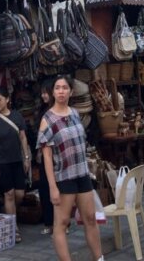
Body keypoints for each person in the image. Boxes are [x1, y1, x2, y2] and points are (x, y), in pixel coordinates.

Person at [36, 75, 103, 261]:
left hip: (82, 174)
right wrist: (52, 187)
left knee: (90, 218)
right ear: (52, 92)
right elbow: (47, 157)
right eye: (57, 88)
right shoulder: (47, 119)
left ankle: (99, 258)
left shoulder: (74, 113)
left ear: (71, 92)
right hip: (63, 177)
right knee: (62, 223)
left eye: (65, 88)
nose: (61, 91)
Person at [0, 86, 31, 243]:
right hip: (1, 162)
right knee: (9, 194)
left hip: (17, 160)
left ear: (7, 100)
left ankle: (8, 211)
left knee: (20, 194)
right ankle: (13, 228)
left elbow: (23, 138)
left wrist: (26, 157)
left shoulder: (17, 116)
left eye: (0, 99)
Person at [35, 81, 54, 236]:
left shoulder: (56, 111)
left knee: (58, 188)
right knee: (45, 188)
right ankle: (49, 222)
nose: (43, 96)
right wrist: (38, 152)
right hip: (44, 152)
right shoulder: (42, 111)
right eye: (42, 93)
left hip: (56, 154)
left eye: (46, 92)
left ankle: (62, 222)